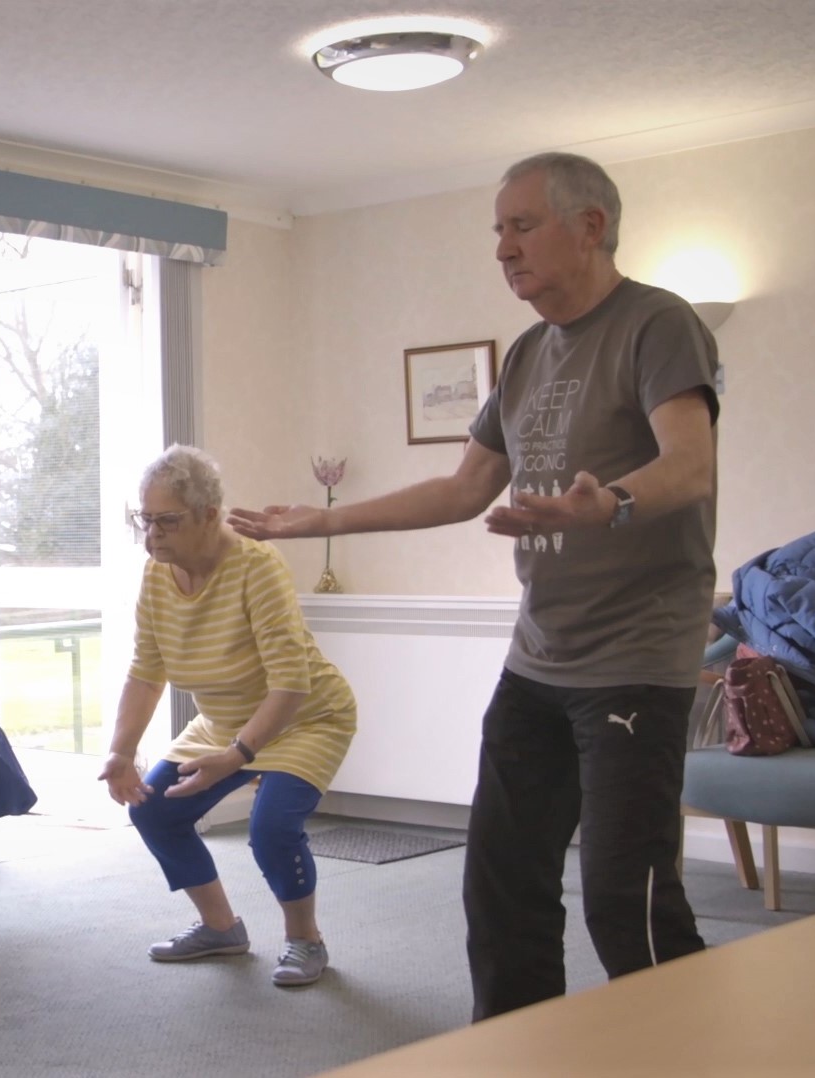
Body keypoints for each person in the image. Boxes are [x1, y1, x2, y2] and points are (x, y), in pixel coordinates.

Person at [229, 151, 719, 1019]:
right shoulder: (529, 353)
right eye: (498, 229)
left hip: (637, 662)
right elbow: (462, 489)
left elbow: (691, 464)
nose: (503, 248)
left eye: (521, 225)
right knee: (500, 889)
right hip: (538, 665)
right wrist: (321, 522)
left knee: (625, 902)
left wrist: (606, 502)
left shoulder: (658, 324)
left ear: (591, 227)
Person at [98, 444, 357, 987]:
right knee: (153, 811)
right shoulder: (156, 575)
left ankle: (305, 941)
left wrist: (239, 755)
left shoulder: (256, 567)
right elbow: (146, 672)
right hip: (221, 722)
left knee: (272, 829)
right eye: (145, 521)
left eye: (167, 521)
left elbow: (291, 682)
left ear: (209, 515)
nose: (153, 536)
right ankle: (220, 928)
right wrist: (121, 751)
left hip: (305, 717)